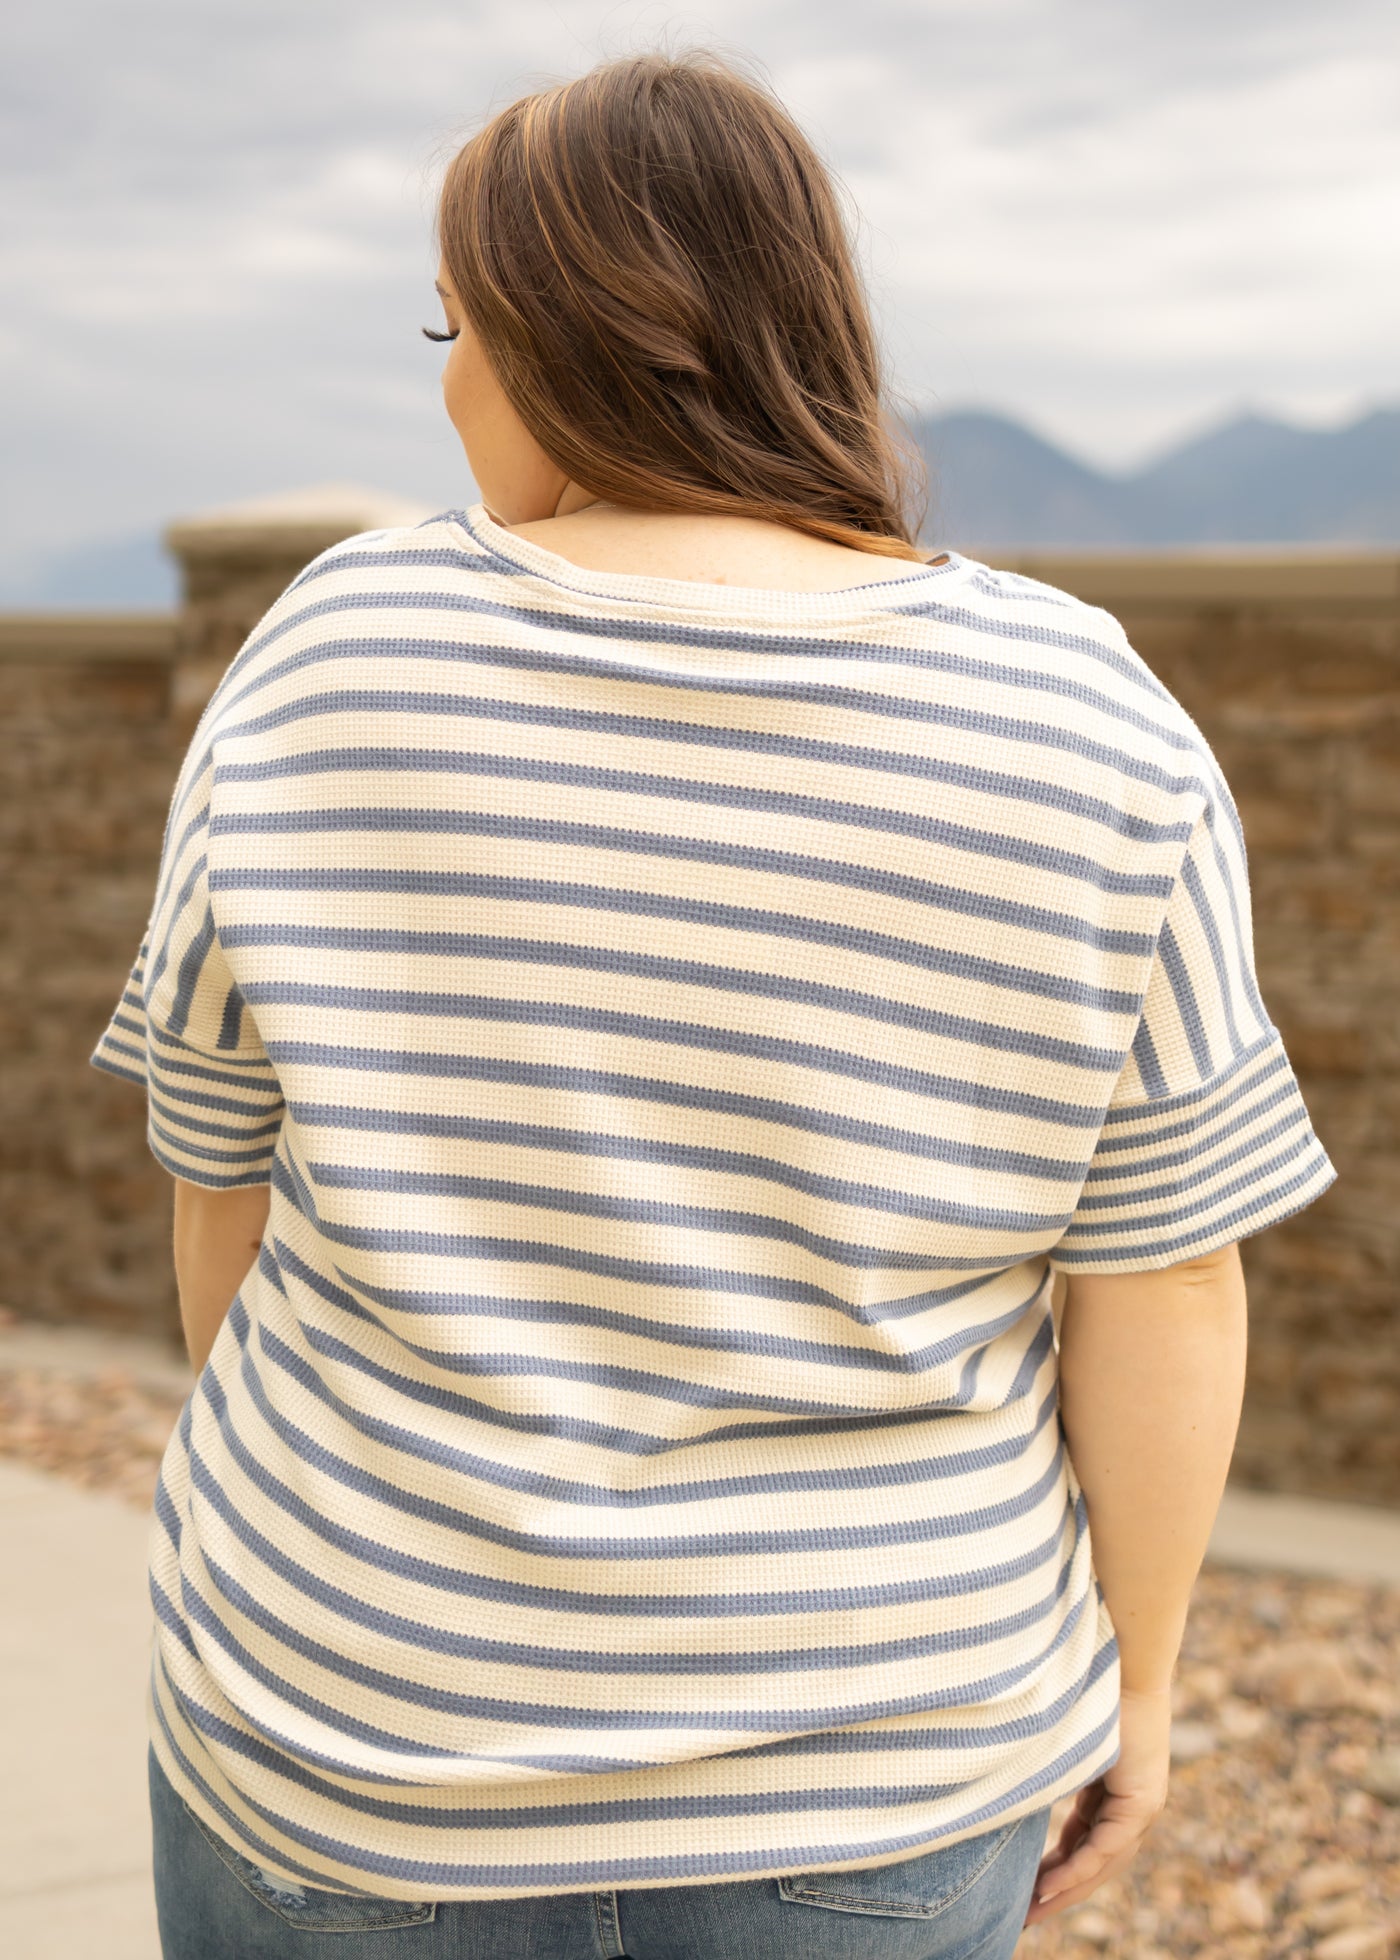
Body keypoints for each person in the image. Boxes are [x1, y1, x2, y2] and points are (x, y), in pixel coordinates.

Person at [92, 46, 1336, 1960]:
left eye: (461, 324)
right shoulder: (1092, 718)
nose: (447, 383)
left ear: (567, 337)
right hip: (881, 1773)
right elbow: (1163, 1276)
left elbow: (218, 1195)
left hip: (346, 1742)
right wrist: (1143, 1691)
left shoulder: (328, 654)